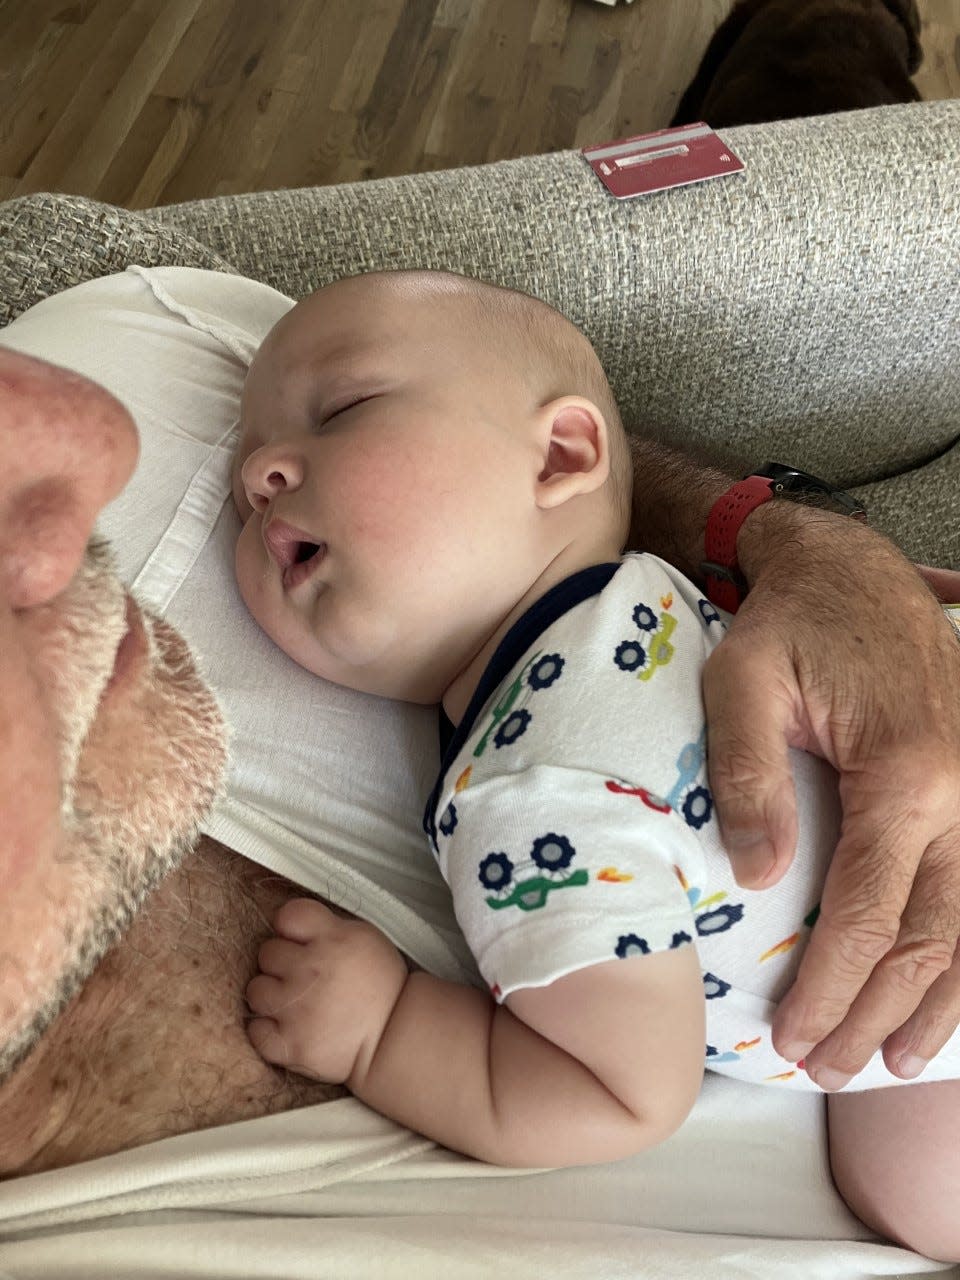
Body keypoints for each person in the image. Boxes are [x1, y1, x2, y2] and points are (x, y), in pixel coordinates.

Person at [2, 257, 960, 1264]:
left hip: (905, 973)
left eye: (344, 411)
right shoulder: (646, 594)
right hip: (909, 995)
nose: (256, 475)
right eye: (245, 492)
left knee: (910, 1183)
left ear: (563, 454)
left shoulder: (533, 797)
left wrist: (387, 1030)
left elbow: (624, 1087)